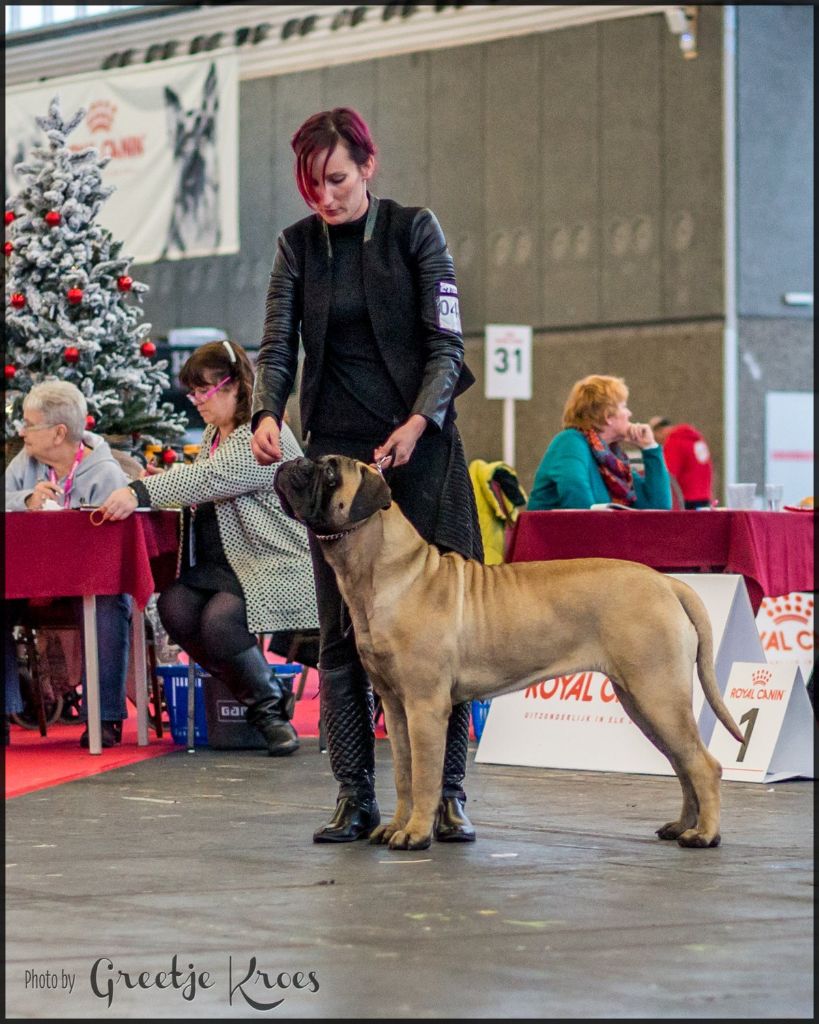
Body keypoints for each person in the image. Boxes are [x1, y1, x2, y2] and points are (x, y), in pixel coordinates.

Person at [250, 106, 484, 844]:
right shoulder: (297, 247)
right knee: (346, 637)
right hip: (337, 467)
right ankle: (355, 795)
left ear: (369, 167)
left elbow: (447, 347)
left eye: (340, 179)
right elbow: (277, 348)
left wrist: (420, 422)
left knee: (446, 636)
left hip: (421, 447)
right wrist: (265, 411)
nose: (326, 195)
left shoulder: (416, 230)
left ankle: (448, 796)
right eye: (313, 183)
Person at [99, 340, 319, 756]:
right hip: (230, 563)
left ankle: (269, 711)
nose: (197, 401)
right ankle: (266, 696)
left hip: (275, 561)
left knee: (220, 622)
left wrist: (141, 490)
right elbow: (207, 480)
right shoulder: (215, 433)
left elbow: (211, 479)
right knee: (174, 607)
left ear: (235, 385)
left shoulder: (261, 431)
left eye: (205, 390)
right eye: (192, 392)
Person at [5, 380, 132, 747]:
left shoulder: (105, 472)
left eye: (30, 424)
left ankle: (105, 717)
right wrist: (25, 498)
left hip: (88, 579)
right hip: (29, 576)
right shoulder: (25, 462)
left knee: (110, 602)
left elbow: (114, 545)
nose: (22, 431)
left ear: (59, 433)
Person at [527, 374, 673, 511]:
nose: (630, 413)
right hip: (553, 535)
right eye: (623, 406)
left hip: (591, 534)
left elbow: (658, 507)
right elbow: (579, 504)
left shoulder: (611, 459)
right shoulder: (570, 442)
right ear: (607, 416)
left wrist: (649, 448)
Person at [649, 416, 714, 509]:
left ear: (659, 431)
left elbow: (668, 473)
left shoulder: (674, 442)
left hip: (687, 500)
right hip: (704, 498)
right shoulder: (696, 440)